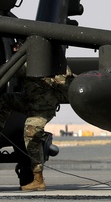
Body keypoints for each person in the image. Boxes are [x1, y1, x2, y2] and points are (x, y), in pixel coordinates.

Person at [19, 42, 74, 192]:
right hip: (28, 100)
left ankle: (38, 179)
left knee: (31, 131)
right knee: (4, 102)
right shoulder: (22, 60)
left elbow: (65, 82)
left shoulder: (54, 62)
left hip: (43, 107)